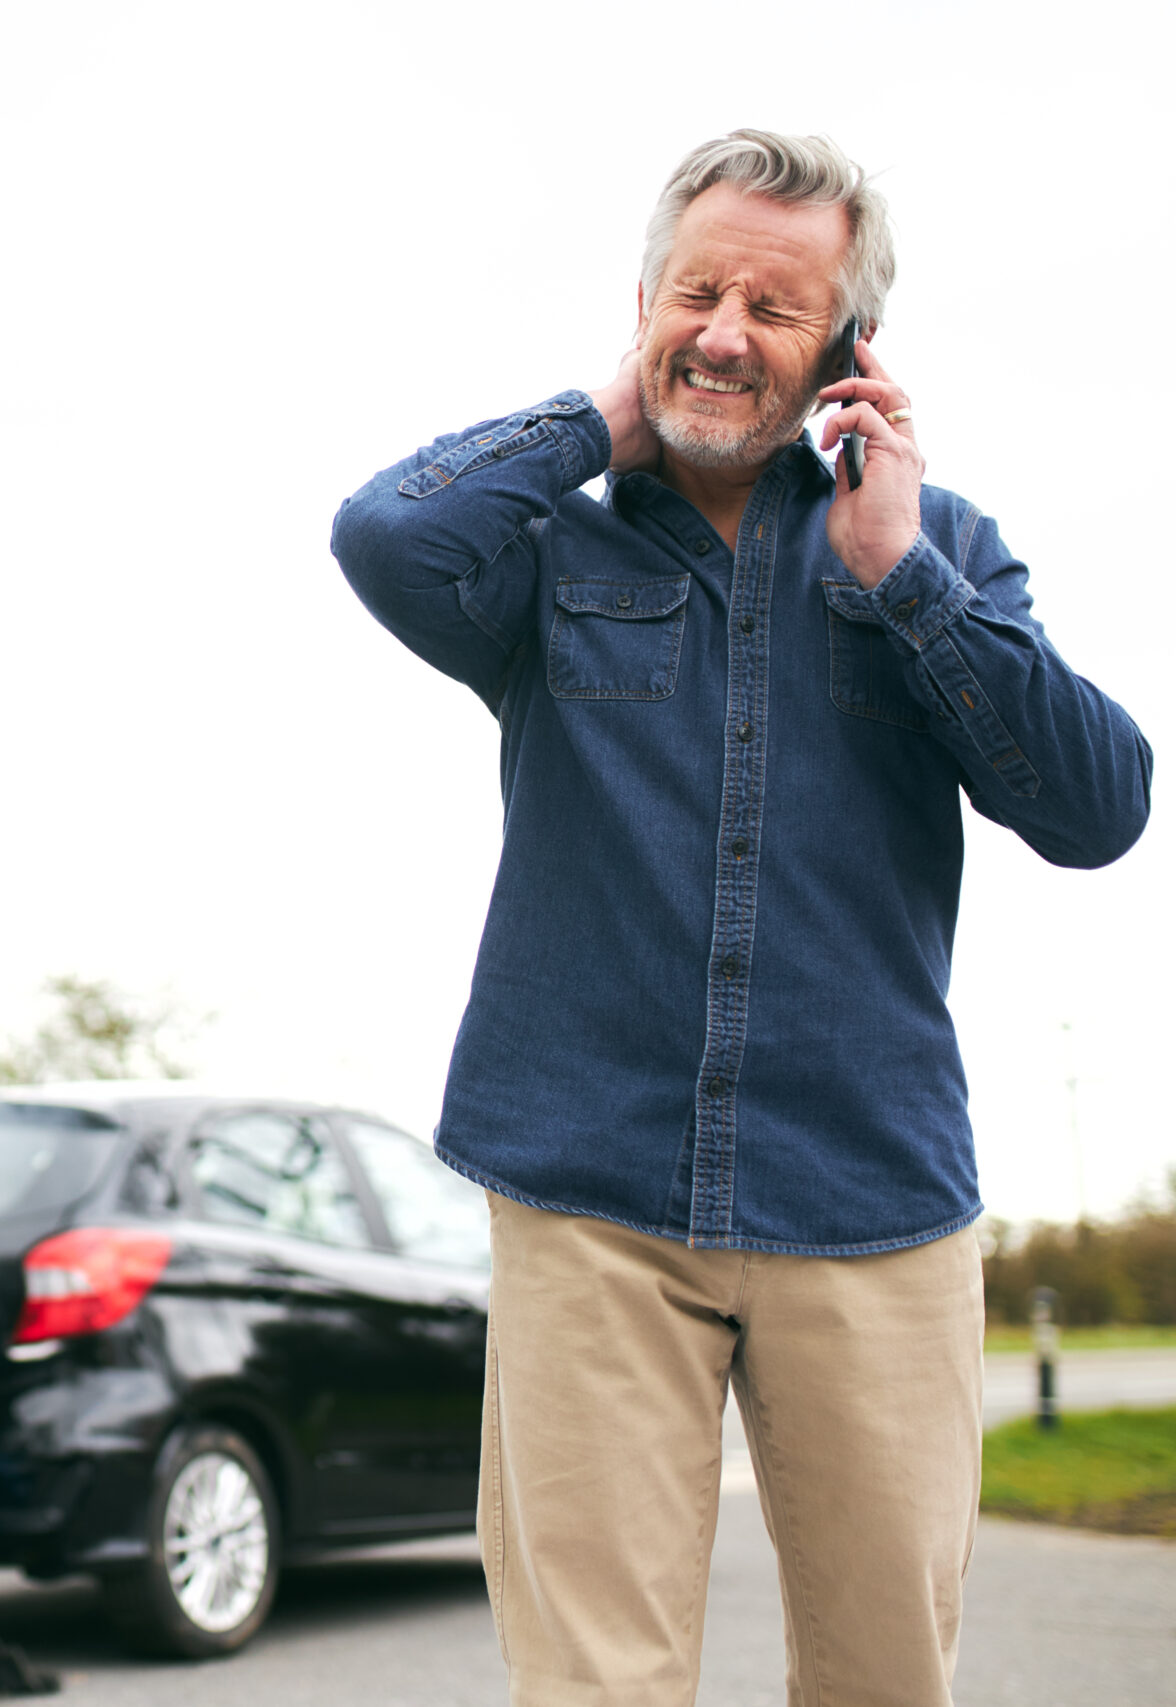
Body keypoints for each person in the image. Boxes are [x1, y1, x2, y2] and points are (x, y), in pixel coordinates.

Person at [330, 130, 1151, 1706]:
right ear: (642, 300)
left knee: (884, 1680)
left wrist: (901, 578)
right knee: (592, 1686)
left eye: (775, 308)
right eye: (695, 292)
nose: (722, 332)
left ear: (848, 347)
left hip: (869, 1199)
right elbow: (384, 536)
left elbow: (1101, 807)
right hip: (587, 1191)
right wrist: (600, 416)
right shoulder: (546, 547)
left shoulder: (937, 549)